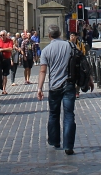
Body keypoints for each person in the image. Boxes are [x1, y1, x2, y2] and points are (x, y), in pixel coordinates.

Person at [37, 25, 76, 155]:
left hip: (54, 86)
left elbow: (43, 71)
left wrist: (39, 88)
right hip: (69, 84)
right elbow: (80, 62)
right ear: (60, 33)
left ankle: (55, 141)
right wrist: (89, 79)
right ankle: (68, 146)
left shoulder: (46, 50)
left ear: (49, 36)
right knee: (69, 114)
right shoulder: (70, 46)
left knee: (54, 114)